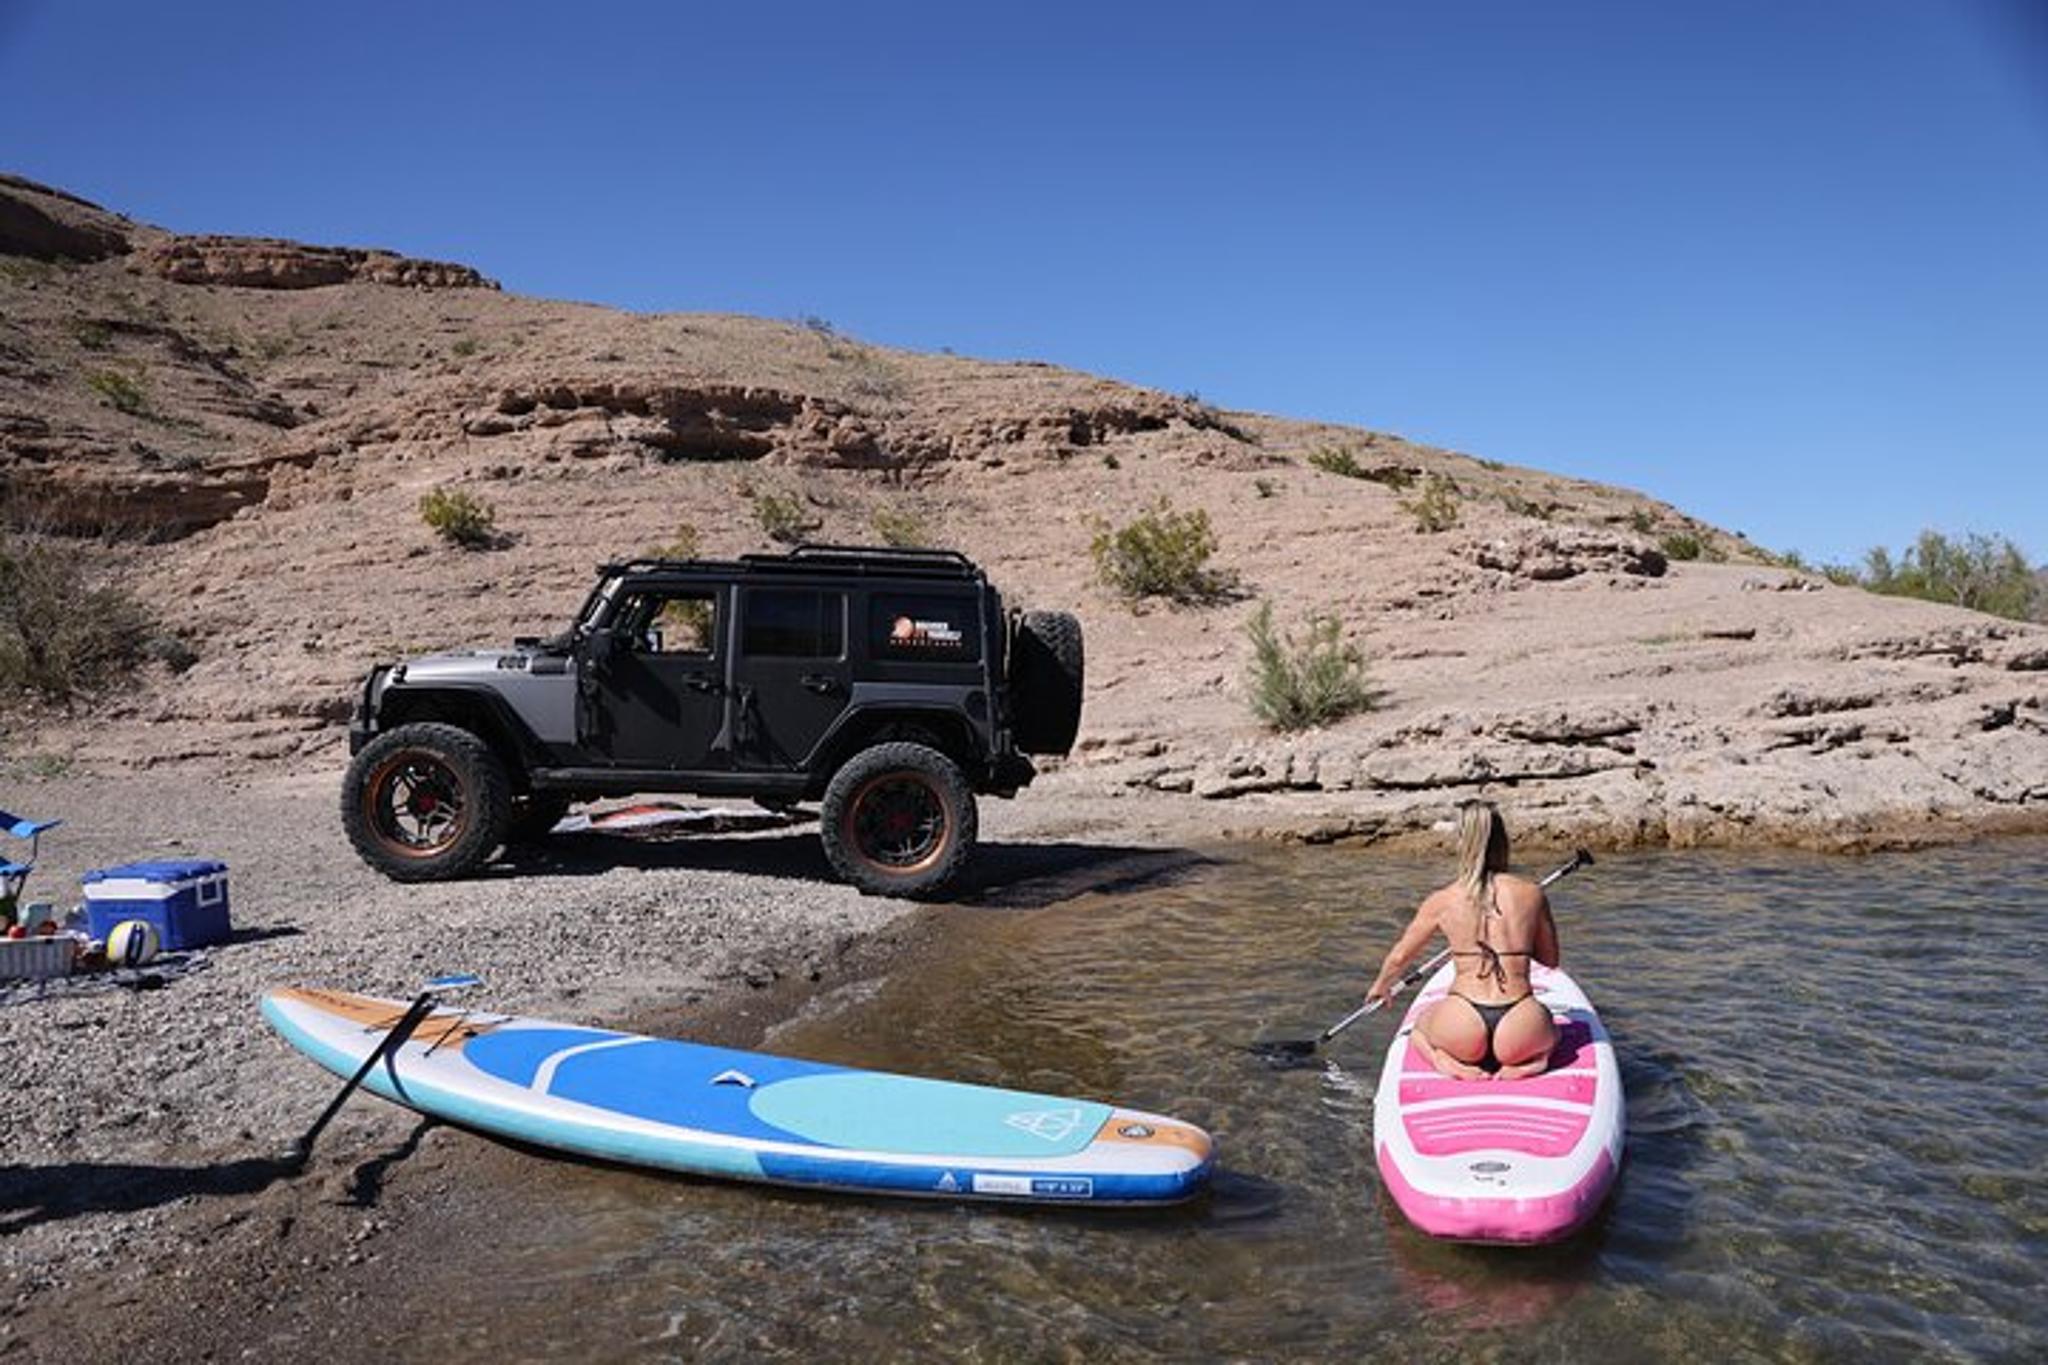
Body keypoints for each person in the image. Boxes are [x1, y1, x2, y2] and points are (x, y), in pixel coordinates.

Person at [1365, 801, 1560, 1080]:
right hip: (1519, 1023)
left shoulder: (1442, 900)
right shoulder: (1531, 894)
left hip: (1463, 1021)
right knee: (1552, 1029)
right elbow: (1550, 960)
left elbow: (1399, 957)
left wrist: (1380, 986)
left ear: (1463, 843)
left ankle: (1444, 1060)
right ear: (1502, 841)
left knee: (1418, 1028)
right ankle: (1534, 1061)